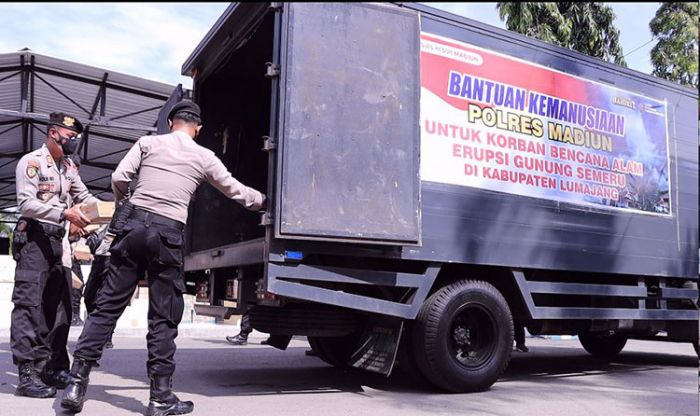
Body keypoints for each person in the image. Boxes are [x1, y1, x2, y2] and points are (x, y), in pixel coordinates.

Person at [62, 100, 266, 415]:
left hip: (131, 231)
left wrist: (127, 204)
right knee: (163, 317)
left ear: (170, 122)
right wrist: (264, 202)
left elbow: (118, 177)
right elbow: (235, 191)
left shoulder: (147, 143)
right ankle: (160, 397)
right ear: (198, 128)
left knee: (105, 309)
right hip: (167, 236)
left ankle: (76, 383)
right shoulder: (203, 156)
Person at [10, 112, 97, 398]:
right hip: (34, 238)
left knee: (57, 308)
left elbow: (84, 197)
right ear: (53, 133)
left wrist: (114, 206)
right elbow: (26, 203)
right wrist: (63, 213)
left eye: (76, 138)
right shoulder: (32, 162)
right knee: (28, 306)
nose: (73, 141)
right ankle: (26, 374)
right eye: (70, 136)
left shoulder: (69, 167)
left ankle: (47, 367)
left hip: (58, 243)